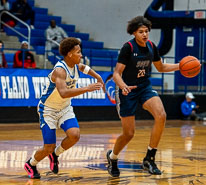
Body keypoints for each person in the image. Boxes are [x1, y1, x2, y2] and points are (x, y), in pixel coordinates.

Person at [106, 16, 179, 177]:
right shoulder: (128, 48)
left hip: (144, 87)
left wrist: (180, 66)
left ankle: (149, 158)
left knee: (161, 115)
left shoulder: (152, 46)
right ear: (134, 33)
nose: (145, 34)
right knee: (129, 134)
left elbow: (161, 67)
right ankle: (113, 157)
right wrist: (123, 86)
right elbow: (116, 73)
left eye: (146, 31)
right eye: (141, 32)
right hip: (127, 90)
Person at [24, 37, 104, 179]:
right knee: (48, 146)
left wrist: (98, 77)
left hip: (65, 108)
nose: (81, 55)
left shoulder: (76, 65)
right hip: (48, 110)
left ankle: (55, 154)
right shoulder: (60, 70)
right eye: (78, 52)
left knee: (75, 135)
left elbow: (85, 68)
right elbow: (63, 93)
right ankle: (31, 163)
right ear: (69, 54)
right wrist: (87, 88)